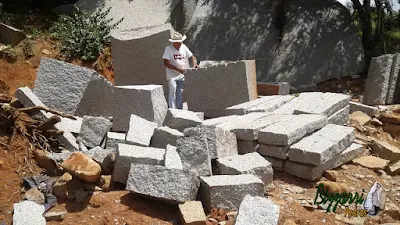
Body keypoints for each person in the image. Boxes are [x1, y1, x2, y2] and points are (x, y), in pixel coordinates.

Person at [162, 31, 199, 109]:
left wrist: (195, 64)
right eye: (177, 43)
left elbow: (192, 56)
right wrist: (177, 69)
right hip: (172, 74)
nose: (179, 44)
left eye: (180, 42)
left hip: (182, 74)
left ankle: (179, 109)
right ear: (173, 42)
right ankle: (173, 110)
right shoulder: (168, 49)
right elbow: (166, 63)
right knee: (173, 91)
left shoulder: (184, 47)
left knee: (180, 92)